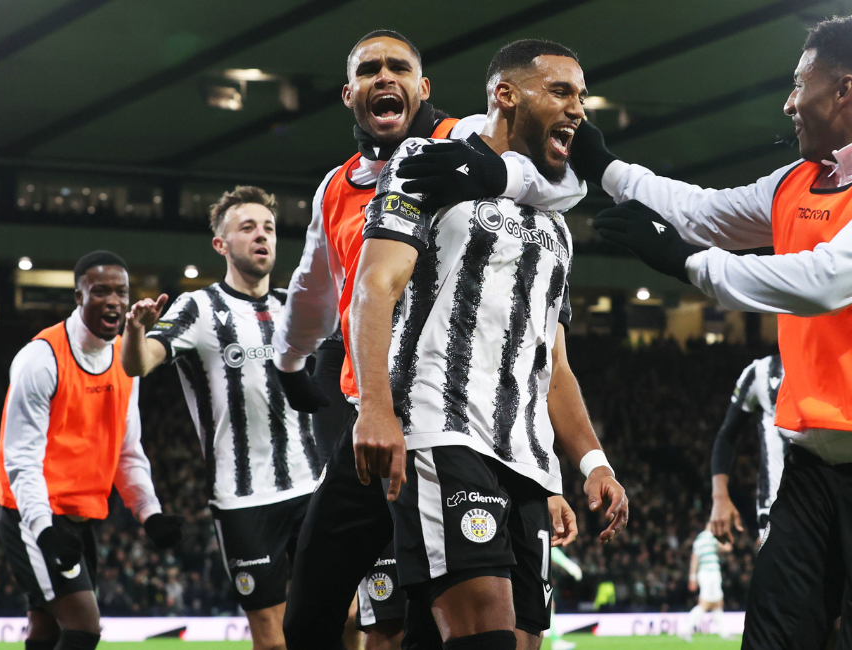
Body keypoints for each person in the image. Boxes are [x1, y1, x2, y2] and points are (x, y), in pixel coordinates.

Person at [571, 16, 852, 649]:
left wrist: (688, 263)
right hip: (813, 467)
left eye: (800, 84)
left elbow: (823, 280)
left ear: (844, 89)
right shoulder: (800, 179)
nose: (789, 101)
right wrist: (606, 168)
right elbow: (701, 211)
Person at [274, 30, 589, 650]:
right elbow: (314, 295)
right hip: (367, 408)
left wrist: (491, 168)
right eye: (369, 69)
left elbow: (564, 173)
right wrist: (289, 366)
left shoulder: (460, 144)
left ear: (424, 89)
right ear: (348, 94)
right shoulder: (335, 189)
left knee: (422, 616)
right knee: (311, 610)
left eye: (399, 68)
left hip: (446, 418)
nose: (383, 78)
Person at [350, 39, 628, 650]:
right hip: (441, 428)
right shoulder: (428, 161)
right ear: (505, 94)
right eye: (561, 92)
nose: (578, 109)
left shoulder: (556, 222)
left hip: (527, 459)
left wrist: (591, 463)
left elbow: (552, 361)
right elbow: (375, 286)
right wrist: (375, 406)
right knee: (484, 636)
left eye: (581, 96)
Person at [122, 187, 320, 650]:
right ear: (221, 244)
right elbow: (139, 364)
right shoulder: (196, 308)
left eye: (268, 228)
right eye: (247, 228)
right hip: (243, 499)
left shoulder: (295, 303)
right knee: (271, 637)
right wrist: (135, 331)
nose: (261, 236)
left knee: (349, 613)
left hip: (313, 484)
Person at [0, 251, 183, 650]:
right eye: (100, 291)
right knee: (84, 628)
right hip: (31, 513)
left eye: (121, 291)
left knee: (47, 630)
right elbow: (21, 458)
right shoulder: (40, 360)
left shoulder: (128, 357)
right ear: (78, 297)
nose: (114, 300)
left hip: (80, 517)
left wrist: (150, 513)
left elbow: (128, 450)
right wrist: (44, 531)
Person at [708, 354, 786, 547]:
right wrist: (719, 498)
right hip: (774, 509)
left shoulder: (839, 365)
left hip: (829, 505)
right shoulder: (761, 372)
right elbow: (726, 436)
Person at [681, 529, 734, 641]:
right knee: (705, 604)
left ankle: (724, 633)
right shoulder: (713, 536)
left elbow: (694, 559)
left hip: (704, 574)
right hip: (711, 574)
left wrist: (692, 577)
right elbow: (728, 547)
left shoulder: (699, 539)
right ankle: (685, 629)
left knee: (717, 603)